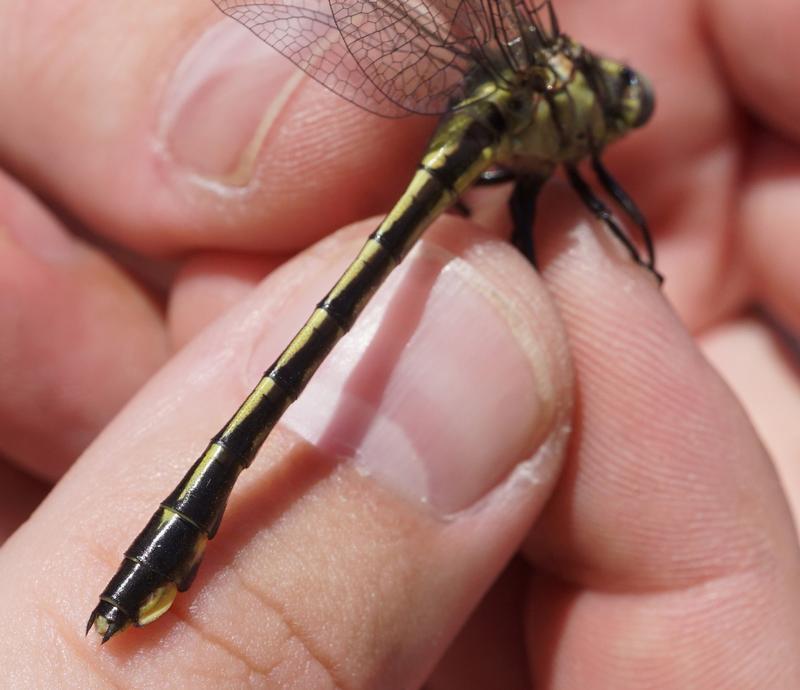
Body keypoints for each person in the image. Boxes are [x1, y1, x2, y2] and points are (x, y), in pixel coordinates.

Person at [0, 0, 798, 686]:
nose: (618, 108)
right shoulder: (553, 111)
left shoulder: (525, 76)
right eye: (617, 100)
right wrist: (645, 265)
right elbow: (603, 217)